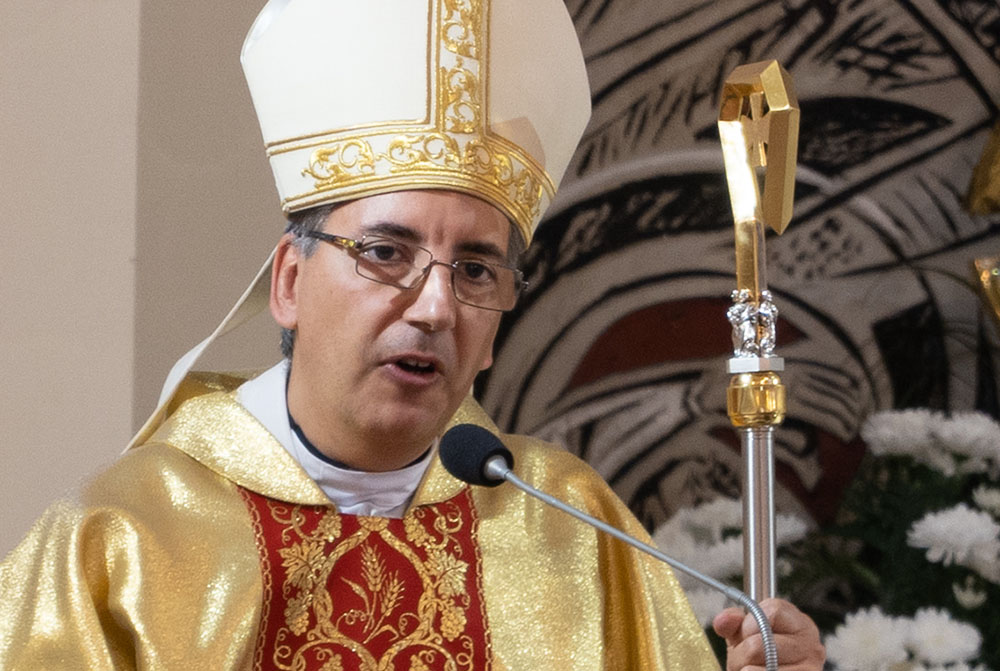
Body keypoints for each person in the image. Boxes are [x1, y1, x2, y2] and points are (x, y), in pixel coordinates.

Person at [0, 1, 825, 669]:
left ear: (497, 326)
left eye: (475, 269)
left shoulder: (573, 526)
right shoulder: (123, 540)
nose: (435, 306)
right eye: (387, 252)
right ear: (289, 281)